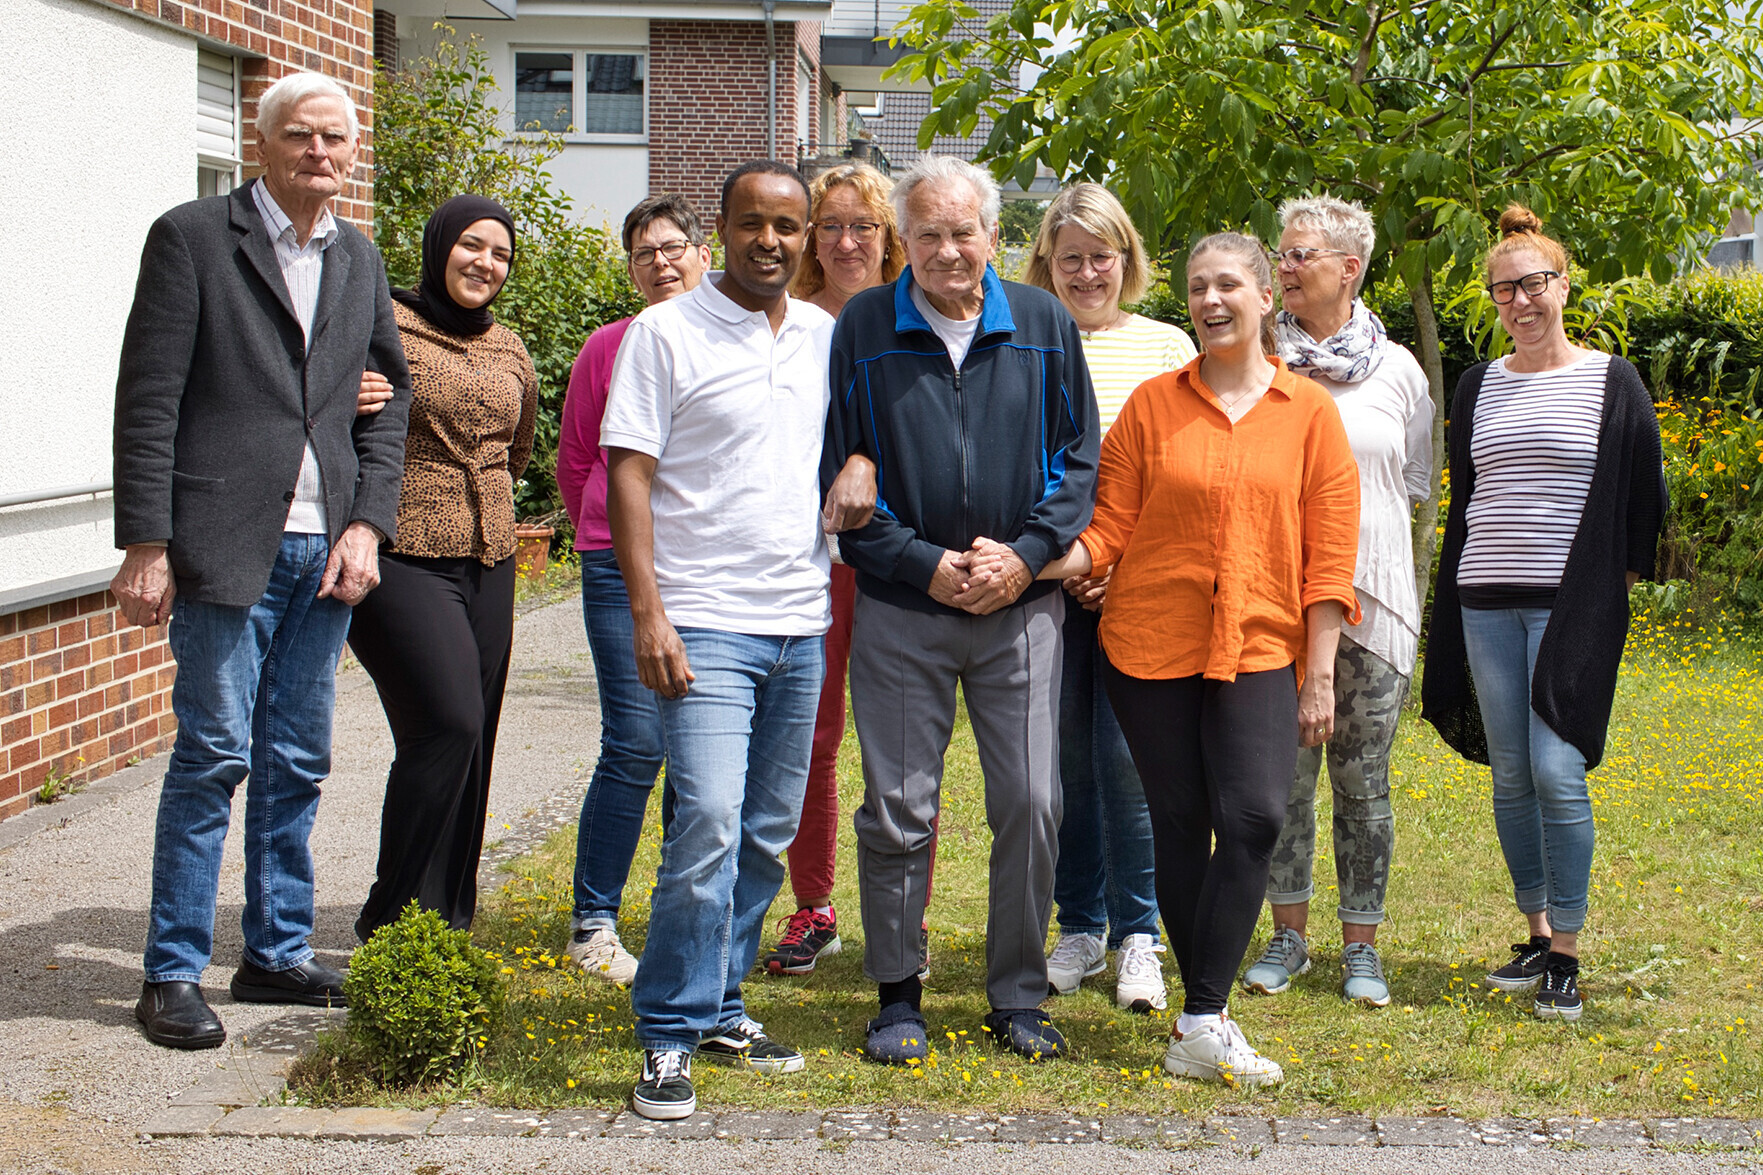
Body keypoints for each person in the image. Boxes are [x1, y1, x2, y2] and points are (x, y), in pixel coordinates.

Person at [111, 71, 411, 1050]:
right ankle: (169, 972)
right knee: (212, 755)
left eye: (334, 138)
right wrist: (147, 544)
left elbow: (388, 400)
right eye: (300, 136)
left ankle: (276, 949)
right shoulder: (192, 239)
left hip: (326, 552)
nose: (318, 152)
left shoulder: (358, 257)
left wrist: (367, 525)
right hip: (220, 545)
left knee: (298, 758)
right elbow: (150, 398)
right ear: (264, 140)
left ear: (350, 153)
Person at [1038, 232, 1360, 1086]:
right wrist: (1056, 559)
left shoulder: (1309, 414)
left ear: (1263, 296)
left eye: (1226, 285)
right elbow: (1109, 522)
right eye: (1195, 287)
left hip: (1259, 643)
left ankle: (1199, 1015)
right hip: (1148, 645)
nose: (1210, 300)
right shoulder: (1150, 406)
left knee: (1253, 816)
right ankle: (1203, 1019)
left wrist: (1319, 669)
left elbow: (1329, 555)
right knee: (1179, 825)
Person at [822, 156, 1099, 1066]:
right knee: (899, 808)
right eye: (930, 233)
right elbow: (840, 470)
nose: (948, 250)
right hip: (905, 608)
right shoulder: (863, 324)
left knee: (1031, 801)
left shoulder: (1046, 322)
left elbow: (1077, 463)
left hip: (1020, 612)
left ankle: (1017, 996)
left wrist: (1021, 560)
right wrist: (919, 561)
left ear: (991, 235)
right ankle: (897, 995)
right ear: (909, 239)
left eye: (963, 231)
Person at [606, 162, 833, 1119]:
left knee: (766, 832)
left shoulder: (826, 334)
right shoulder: (665, 332)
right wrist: (649, 614)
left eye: (787, 226)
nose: (769, 242)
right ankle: (664, 1033)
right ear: (721, 233)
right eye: (751, 224)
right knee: (702, 824)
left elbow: (854, 438)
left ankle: (718, 1002)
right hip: (702, 620)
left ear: (807, 234)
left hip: (801, 619)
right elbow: (628, 473)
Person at [1422, 205, 1666, 1022]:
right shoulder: (1476, 384)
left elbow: (1642, 497)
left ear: (1563, 285)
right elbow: (1467, 495)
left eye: (1533, 284)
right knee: (1514, 774)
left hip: (1571, 610)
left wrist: (1613, 591)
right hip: (1484, 602)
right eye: (1503, 291)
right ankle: (1532, 933)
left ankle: (1566, 949)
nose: (1519, 302)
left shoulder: (1610, 378)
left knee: (1559, 772)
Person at [1240, 195, 1432, 1009]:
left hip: (1373, 602)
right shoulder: (1255, 362)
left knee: (1362, 780)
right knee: (1282, 778)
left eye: (1297, 254)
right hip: (1276, 605)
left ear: (1348, 268)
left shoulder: (1399, 371)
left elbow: (1413, 485)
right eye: (1279, 255)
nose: (1280, 266)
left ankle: (1362, 945)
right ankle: (1287, 936)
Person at [346, 196, 538, 941]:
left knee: (476, 734)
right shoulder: (381, 326)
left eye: (500, 254)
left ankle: (444, 917)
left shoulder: (511, 345)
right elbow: (325, 416)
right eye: (471, 245)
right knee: (447, 723)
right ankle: (390, 914)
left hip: (489, 556)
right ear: (438, 246)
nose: (484, 262)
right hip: (400, 549)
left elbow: (519, 449)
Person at [1022, 183, 1194, 1013]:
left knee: (1130, 767)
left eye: (1101, 256)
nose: (1087, 272)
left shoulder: (1166, 346)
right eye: (1070, 259)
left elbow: (1179, 474)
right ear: (1045, 266)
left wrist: (1118, 566)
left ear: (1125, 260)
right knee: (1065, 768)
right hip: (1046, 588)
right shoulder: (1025, 337)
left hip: (1138, 587)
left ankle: (1138, 936)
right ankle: (1079, 925)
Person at [556, 194, 713, 985]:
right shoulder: (607, 347)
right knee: (636, 742)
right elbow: (579, 456)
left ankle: (683, 912)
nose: (660, 261)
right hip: (617, 566)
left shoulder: (731, 340)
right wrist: (603, 532)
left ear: (701, 253)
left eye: (672, 246)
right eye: (644, 252)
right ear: (631, 269)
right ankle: (593, 920)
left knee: (700, 750)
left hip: (706, 568)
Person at [762, 162, 905, 977]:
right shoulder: (788, 319)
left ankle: (902, 914)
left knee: (900, 740)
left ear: (888, 238)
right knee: (811, 734)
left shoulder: (911, 316)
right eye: (831, 226)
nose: (847, 241)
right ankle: (811, 903)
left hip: (895, 557)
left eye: (864, 226)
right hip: (809, 557)